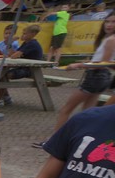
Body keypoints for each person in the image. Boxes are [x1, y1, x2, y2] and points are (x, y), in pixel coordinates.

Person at [40, 14, 115, 144]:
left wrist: (79, 65)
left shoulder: (111, 40)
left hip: (96, 76)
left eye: (113, 22)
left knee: (66, 109)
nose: (109, 25)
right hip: (101, 76)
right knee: (87, 113)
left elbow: (103, 63)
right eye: (107, 21)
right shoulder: (108, 39)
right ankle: (80, 140)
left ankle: (55, 141)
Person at [0, 23, 45, 107]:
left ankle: (0, 99)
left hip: (31, 70)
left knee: (2, 74)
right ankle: (5, 98)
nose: (22, 35)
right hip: (23, 67)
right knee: (1, 74)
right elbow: (12, 54)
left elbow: (14, 56)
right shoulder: (26, 43)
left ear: (33, 34)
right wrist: (9, 44)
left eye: (25, 34)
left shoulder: (32, 44)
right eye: (23, 33)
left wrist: (10, 43)